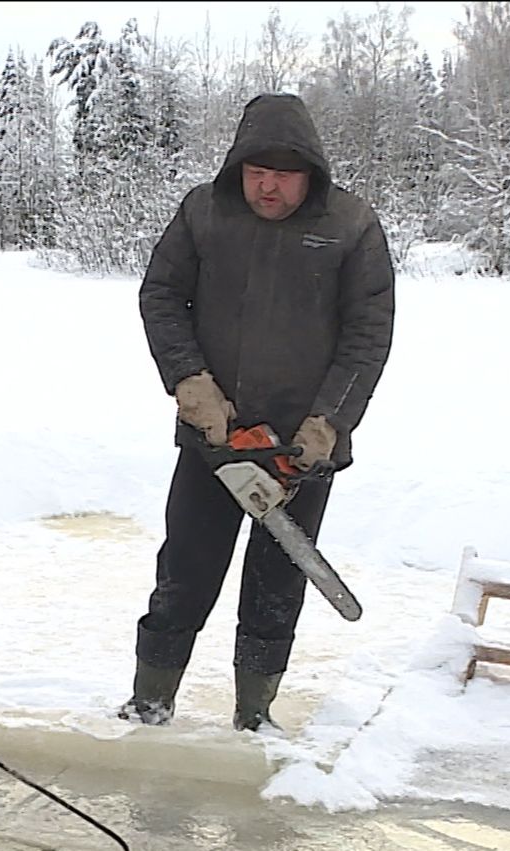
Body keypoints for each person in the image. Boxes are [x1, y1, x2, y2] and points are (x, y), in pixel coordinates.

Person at [122, 93, 396, 733]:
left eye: (285, 173)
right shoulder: (204, 212)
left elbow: (368, 333)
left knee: (275, 590)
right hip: (214, 442)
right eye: (256, 172)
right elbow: (161, 296)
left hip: (300, 450)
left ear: (311, 173)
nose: (268, 186)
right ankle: (148, 705)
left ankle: (255, 715)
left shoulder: (351, 226)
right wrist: (193, 387)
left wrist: (326, 424)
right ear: (237, 167)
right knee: (183, 579)